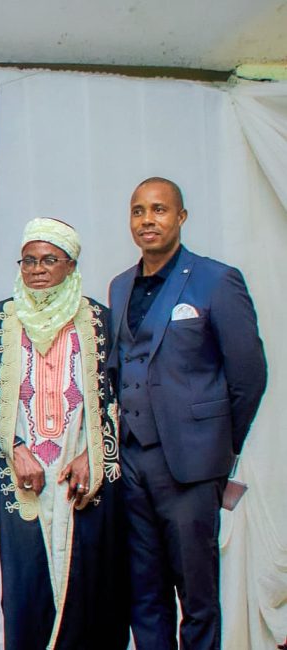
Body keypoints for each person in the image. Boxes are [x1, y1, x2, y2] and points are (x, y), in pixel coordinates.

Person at [108, 178, 266, 649]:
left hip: (192, 465)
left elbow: (249, 376)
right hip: (133, 460)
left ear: (181, 217)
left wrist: (219, 449)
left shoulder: (217, 280)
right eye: (138, 211)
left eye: (159, 210)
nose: (147, 220)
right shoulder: (120, 286)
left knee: (196, 595)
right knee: (144, 592)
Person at [0, 217, 129, 649]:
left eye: (49, 260)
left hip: (79, 469)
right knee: (24, 585)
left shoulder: (99, 321)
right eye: (29, 260)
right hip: (18, 474)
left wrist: (94, 454)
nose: (37, 269)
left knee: (88, 583)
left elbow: (122, 395)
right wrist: (14, 447)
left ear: (71, 265)